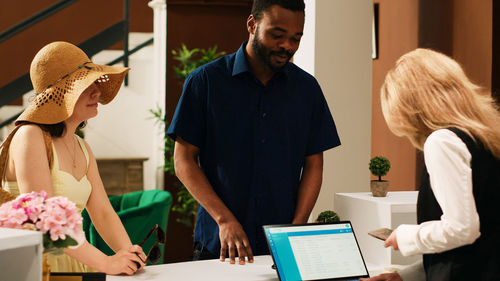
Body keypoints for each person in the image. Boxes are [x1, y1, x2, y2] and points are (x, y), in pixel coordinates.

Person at [167, 0, 340, 265]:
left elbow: (314, 164)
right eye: (277, 35)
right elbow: (183, 160)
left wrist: (296, 227)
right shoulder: (205, 82)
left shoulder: (308, 90)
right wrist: (224, 220)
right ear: (252, 24)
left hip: (280, 248)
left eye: (296, 38)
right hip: (219, 246)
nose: (287, 46)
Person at [0, 41, 147, 275]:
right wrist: (106, 263)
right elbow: (42, 218)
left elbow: (102, 211)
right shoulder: (31, 135)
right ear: (60, 95)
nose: (96, 91)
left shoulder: (83, 146)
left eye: (95, 83)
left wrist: (128, 253)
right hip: (34, 265)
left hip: (76, 263)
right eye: (85, 85)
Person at [375, 48, 500, 281]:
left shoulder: (442, 141)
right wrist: (403, 276)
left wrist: (405, 236)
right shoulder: (487, 139)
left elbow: (462, 230)